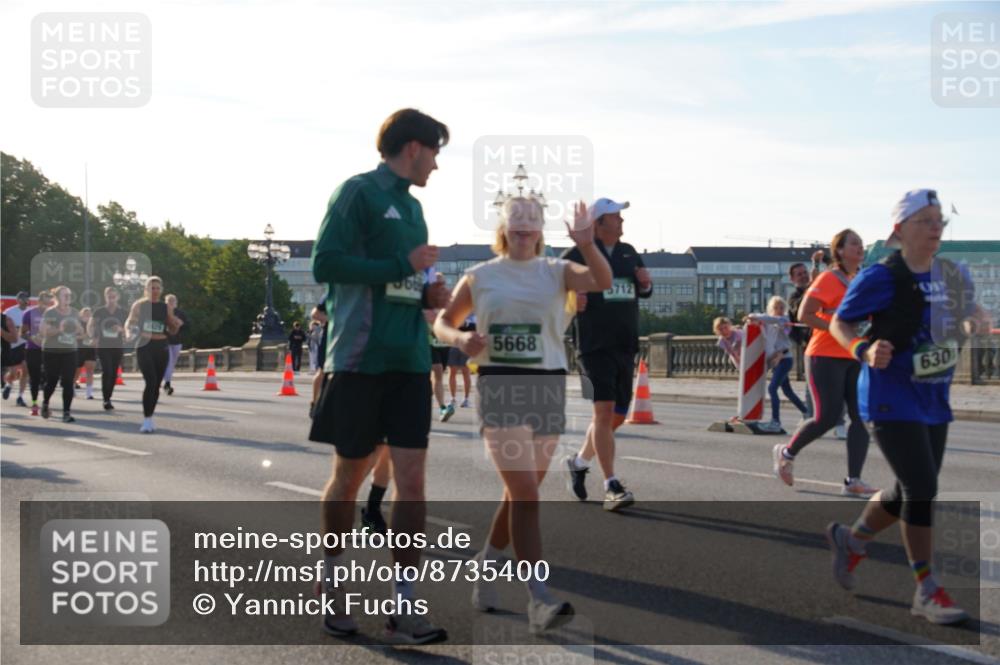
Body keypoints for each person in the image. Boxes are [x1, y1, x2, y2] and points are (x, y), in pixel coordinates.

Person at [435, 196, 611, 632]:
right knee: (526, 493)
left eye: (532, 220)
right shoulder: (481, 276)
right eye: (517, 219)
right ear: (503, 226)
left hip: (548, 386)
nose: (524, 226)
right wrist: (460, 340)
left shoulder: (557, 271)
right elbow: (442, 322)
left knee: (521, 492)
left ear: (542, 228)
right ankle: (539, 598)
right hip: (500, 386)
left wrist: (588, 243)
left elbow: (602, 280)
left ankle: (486, 565)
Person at [308, 108, 451, 644]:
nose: (437, 165)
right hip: (359, 360)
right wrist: (401, 267)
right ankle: (335, 583)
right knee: (348, 477)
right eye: (435, 152)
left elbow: (410, 279)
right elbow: (326, 264)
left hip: (409, 361)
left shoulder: (414, 211)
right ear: (413, 146)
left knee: (412, 481)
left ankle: (406, 605)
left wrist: (429, 294)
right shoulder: (357, 192)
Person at [825, 189, 990, 624]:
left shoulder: (954, 274)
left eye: (939, 220)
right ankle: (926, 589)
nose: (936, 227)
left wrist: (978, 319)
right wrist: (862, 348)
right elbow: (841, 321)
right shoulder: (882, 276)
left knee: (908, 490)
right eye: (925, 220)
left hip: (934, 395)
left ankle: (852, 540)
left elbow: (969, 311)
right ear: (900, 229)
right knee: (923, 489)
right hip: (888, 395)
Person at [562, 198, 652, 511]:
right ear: (599, 223)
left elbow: (642, 287)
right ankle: (611, 484)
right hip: (593, 345)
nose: (621, 220)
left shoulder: (629, 252)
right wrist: (572, 298)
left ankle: (578, 460)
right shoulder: (578, 254)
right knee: (602, 413)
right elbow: (555, 287)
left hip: (625, 343)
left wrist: (645, 284)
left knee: (617, 416)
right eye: (615, 216)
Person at [773, 229, 877, 497]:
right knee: (827, 417)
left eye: (861, 243)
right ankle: (787, 452)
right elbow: (804, 314)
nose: (860, 247)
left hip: (853, 354)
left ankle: (853, 480)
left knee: (860, 418)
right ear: (839, 250)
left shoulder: (860, 279)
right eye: (854, 243)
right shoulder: (829, 278)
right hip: (824, 356)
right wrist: (836, 329)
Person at [125, 277, 182, 433]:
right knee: (150, 381)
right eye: (152, 288)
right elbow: (129, 322)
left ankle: (150, 418)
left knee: (156, 385)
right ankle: (146, 419)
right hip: (145, 345)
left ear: (161, 289)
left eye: (157, 288)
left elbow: (171, 329)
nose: (155, 290)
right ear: (146, 289)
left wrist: (176, 325)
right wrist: (129, 332)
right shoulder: (140, 305)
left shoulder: (165, 307)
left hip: (161, 346)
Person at [747, 296, 808, 432]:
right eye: (776, 308)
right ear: (771, 309)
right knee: (788, 392)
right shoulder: (769, 323)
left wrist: (753, 315)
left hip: (785, 360)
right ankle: (807, 413)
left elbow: (773, 322)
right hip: (776, 361)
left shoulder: (784, 320)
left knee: (772, 389)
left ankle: (776, 422)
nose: (779, 310)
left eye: (781, 307)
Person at [40, 285, 81, 422]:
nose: (68, 298)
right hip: (52, 351)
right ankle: (45, 403)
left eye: (69, 295)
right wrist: (60, 329)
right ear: (57, 298)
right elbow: (45, 332)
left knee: (68, 382)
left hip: (70, 351)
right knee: (51, 381)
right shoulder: (50, 313)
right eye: (65, 295)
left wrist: (76, 331)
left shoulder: (75, 312)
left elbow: (81, 331)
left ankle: (66, 413)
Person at [90, 287, 126, 410]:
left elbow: (130, 327)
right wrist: (93, 337)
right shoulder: (99, 311)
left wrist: (120, 329)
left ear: (118, 297)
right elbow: (91, 325)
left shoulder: (122, 312)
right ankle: (106, 399)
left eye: (113, 296)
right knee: (107, 371)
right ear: (105, 297)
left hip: (117, 345)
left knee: (114, 373)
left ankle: (109, 396)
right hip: (103, 345)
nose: (111, 299)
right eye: (109, 297)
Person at [21, 290, 53, 416]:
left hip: (49, 349)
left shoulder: (54, 314)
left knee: (49, 377)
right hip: (32, 349)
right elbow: (22, 333)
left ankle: (46, 403)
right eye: (44, 301)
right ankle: (34, 403)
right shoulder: (29, 313)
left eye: (49, 302)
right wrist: (32, 338)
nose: (47, 304)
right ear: (39, 301)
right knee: (34, 377)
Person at [3, 291, 31, 406]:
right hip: (13, 345)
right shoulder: (9, 312)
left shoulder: (31, 312)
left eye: (27, 298)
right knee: (13, 373)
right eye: (24, 298)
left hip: (27, 344)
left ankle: (20, 397)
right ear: (18, 300)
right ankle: (9, 384)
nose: (26, 300)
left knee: (25, 370)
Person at [162, 294, 189, 395]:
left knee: (172, 363)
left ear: (176, 303)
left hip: (177, 341)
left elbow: (188, 326)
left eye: (173, 301)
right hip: (165, 341)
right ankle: (168, 384)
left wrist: (182, 324)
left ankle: (166, 382)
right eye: (169, 301)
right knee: (168, 362)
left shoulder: (180, 313)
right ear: (165, 303)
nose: (171, 303)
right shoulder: (162, 313)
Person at [447, 315, 475, 408]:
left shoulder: (473, 314)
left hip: (466, 347)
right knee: (452, 372)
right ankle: (452, 399)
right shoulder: (456, 311)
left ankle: (466, 399)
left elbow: (474, 328)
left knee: (465, 372)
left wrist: (465, 324)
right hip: (453, 345)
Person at [308, 303, 328, 419]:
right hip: (330, 337)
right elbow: (314, 313)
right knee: (322, 371)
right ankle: (314, 403)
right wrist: (331, 319)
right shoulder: (335, 290)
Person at [74, 307, 97, 400]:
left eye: (89, 313)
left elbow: (97, 336)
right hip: (79, 348)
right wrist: (83, 336)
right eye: (85, 313)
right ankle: (71, 389)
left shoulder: (94, 325)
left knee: (90, 370)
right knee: (77, 371)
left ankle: (89, 393)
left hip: (90, 349)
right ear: (81, 315)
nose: (87, 315)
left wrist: (95, 341)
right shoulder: (77, 324)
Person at [1, 312, 19, 395]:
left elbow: (15, 339)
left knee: (12, 374)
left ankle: (8, 384)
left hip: (3, 355)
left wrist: (2, 332)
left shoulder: (6, 320)